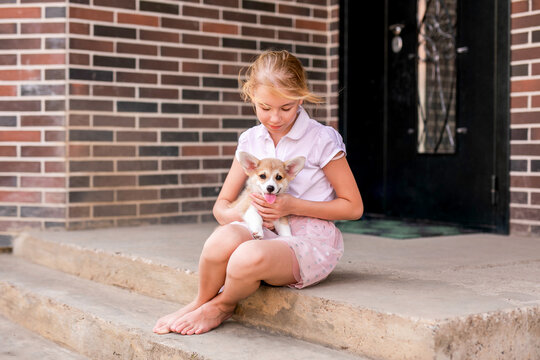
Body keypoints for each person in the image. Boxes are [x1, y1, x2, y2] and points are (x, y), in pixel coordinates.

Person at [153, 50, 363, 336]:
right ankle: (200, 301)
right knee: (219, 242)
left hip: (308, 240)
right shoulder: (251, 139)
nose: (275, 117)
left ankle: (222, 305)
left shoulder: (321, 139)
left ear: (301, 98)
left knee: (245, 256)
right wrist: (242, 217)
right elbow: (222, 206)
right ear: (252, 95)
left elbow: (353, 207)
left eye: (286, 108)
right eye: (265, 107)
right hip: (262, 230)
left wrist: (291, 206)